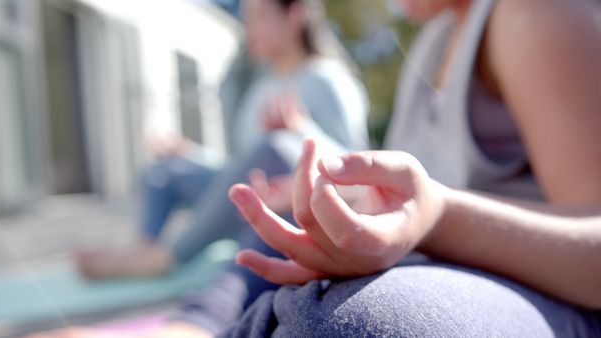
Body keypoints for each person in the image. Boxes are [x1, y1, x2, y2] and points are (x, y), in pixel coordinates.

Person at [218, 0, 601, 335]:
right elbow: (413, 193)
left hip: (548, 297)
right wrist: (333, 194)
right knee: (281, 233)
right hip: (440, 271)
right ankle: (194, 321)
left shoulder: (533, 15)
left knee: (355, 319)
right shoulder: (431, 46)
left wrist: (440, 220)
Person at [74, 0, 369, 279]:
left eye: (259, 15)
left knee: (274, 147)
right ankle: (143, 246)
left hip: (290, 207)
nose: (249, 27)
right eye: (246, 17)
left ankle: (167, 256)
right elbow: (240, 165)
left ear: (294, 15)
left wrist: (301, 129)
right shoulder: (260, 88)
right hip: (249, 197)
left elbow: (355, 171)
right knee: (166, 170)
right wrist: (191, 153)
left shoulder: (329, 80)